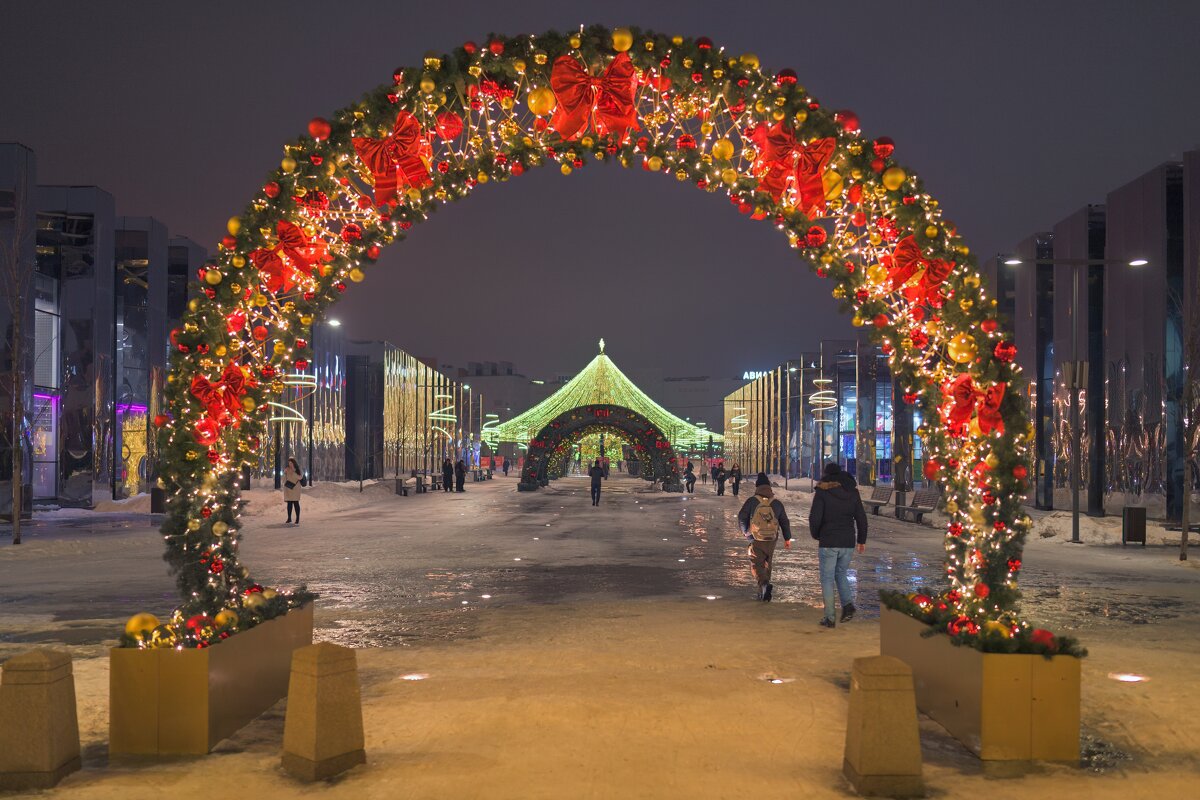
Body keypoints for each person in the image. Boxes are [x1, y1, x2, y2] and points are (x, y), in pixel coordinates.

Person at [809, 463, 868, 628]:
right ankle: (848, 605)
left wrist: (817, 535)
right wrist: (861, 540)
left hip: (829, 541)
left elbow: (815, 518)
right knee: (841, 574)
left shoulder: (822, 492)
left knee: (827, 579)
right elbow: (861, 518)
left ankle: (829, 617)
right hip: (848, 541)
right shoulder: (852, 492)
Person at [738, 473, 792, 600]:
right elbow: (784, 521)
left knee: (756, 563)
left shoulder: (752, 501)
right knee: (768, 562)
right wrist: (787, 538)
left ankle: (764, 584)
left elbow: (742, 517)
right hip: (772, 538)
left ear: (757, 487)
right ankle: (763, 590)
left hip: (756, 538)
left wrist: (746, 532)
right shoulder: (777, 503)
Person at [283, 458, 304, 524]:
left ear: (294, 463)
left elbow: (300, 477)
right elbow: (283, 479)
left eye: (291, 463)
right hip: (289, 488)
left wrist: (294, 472)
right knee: (289, 503)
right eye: (289, 463)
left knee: (295, 503)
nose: (290, 464)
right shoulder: (287, 469)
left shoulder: (297, 470)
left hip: (295, 488)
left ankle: (297, 518)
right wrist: (285, 473)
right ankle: (289, 518)